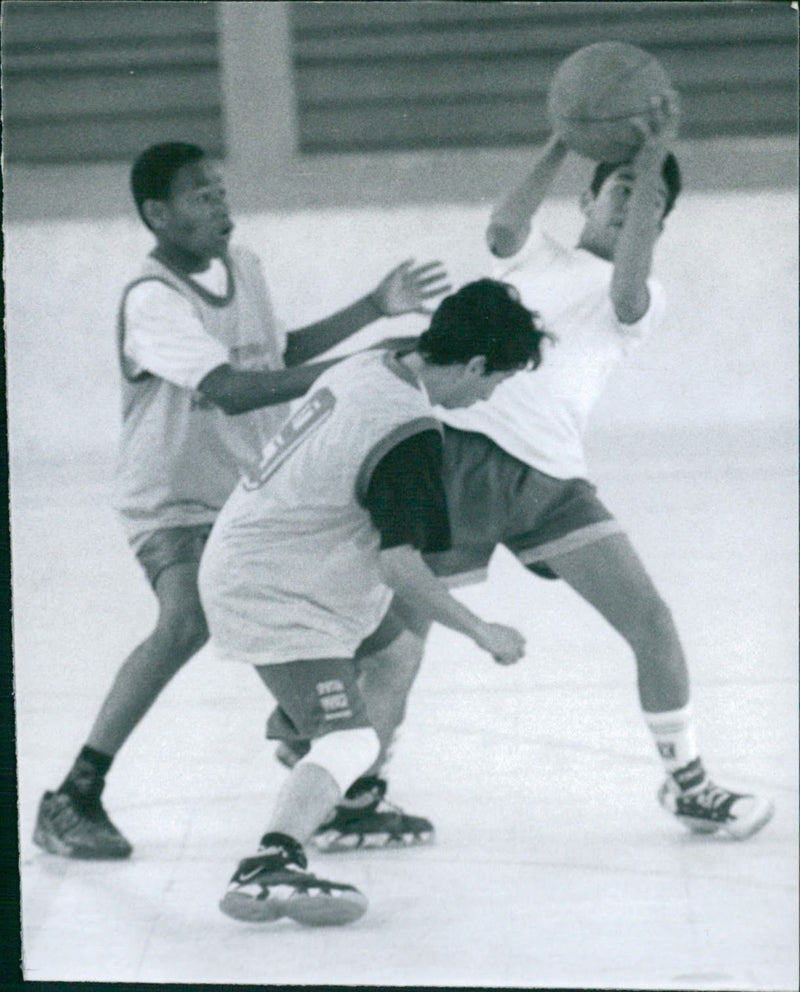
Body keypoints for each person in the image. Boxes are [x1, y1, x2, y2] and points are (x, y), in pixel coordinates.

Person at [279, 103, 774, 842]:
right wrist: (558, 142)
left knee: (651, 620)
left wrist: (646, 171)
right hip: (464, 459)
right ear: (586, 198)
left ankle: (689, 784)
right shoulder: (537, 255)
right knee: (399, 645)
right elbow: (501, 229)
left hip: (550, 481)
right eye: (622, 192)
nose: (637, 206)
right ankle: (352, 789)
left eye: (654, 205)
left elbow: (628, 288)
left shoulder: (641, 295)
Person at [33, 141, 451, 861]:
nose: (220, 204)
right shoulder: (153, 300)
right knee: (188, 619)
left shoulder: (244, 266)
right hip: (173, 502)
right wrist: (360, 368)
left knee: (379, 627)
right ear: (156, 215)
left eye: (221, 190)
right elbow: (228, 389)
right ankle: (75, 793)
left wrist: (372, 310)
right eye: (201, 195)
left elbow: (277, 356)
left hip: (251, 499)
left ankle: (330, 775)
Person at [197, 278, 549, 925]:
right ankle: (271, 859)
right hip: (275, 588)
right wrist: (481, 629)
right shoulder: (408, 430)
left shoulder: (372, 365)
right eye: (493, 381)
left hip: (276, 559)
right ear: (473, 365)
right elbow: (399, 564)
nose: (487, 396)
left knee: (395, 651)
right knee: (350, 737)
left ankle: (340, 791)